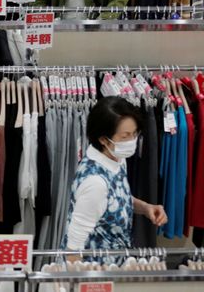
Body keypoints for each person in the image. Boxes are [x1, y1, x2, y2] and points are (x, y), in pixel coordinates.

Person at [63, 97, 167, 251]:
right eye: (125, 136)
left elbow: (116, 199)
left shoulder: (115, 158)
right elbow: (73, 247)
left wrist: (145, 208)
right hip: (95, 269)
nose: (132, 140)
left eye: (135, 133)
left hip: (116, 262)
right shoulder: (95, 183)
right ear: (104, 139)